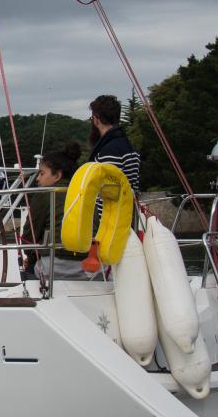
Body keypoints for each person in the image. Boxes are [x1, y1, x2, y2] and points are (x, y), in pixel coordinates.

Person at [22, 143, 86, 280]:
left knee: (28, 271)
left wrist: (31, 259)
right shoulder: (85, 194)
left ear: (57, 175)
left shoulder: (46, 193)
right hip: (90, 268)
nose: (37, 178)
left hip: (55, 267)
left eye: (42, 173)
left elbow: (29, 237)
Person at [87, 94, 140, 196]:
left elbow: (109, 194)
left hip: (112, 206)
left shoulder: (108, 151)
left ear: (96, 120)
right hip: (127, 204)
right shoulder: (128, 145)